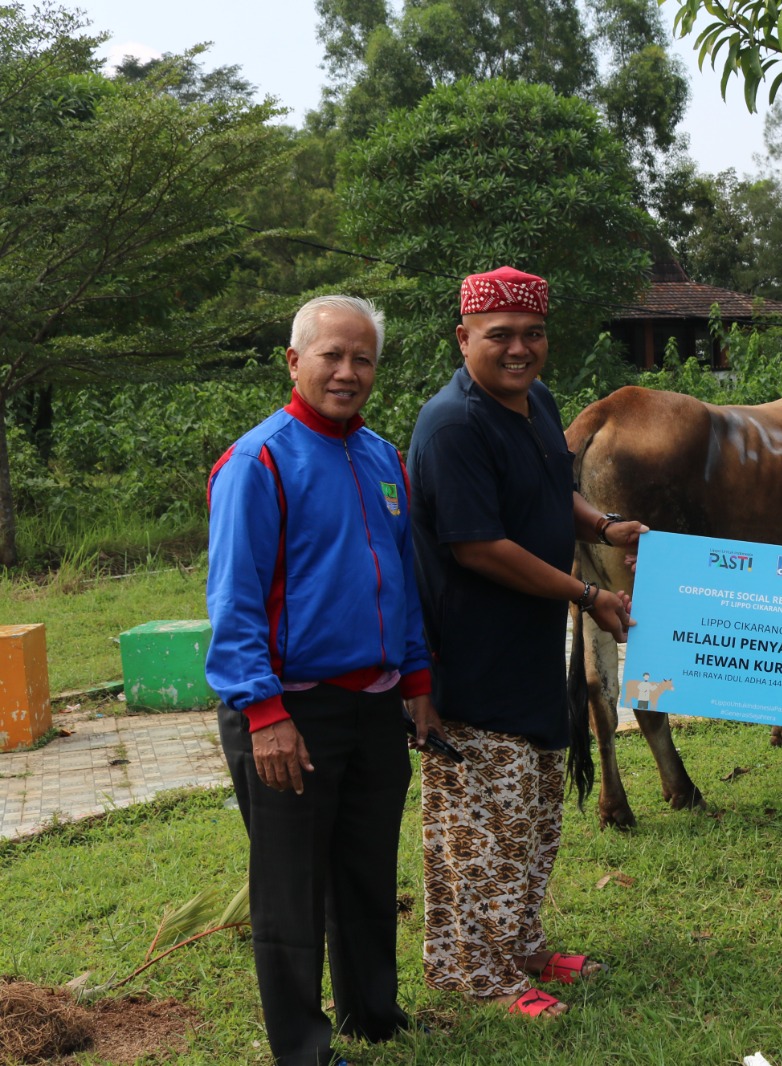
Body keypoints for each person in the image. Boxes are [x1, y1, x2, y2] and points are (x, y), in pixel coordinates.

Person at [206, 294, 439, 1066]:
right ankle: (304, 1050)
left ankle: (374, 1012)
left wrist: (416, 682)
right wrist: (264, 713)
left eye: (362, 358)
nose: (347, 371)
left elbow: (400, 581)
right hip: (289, 710)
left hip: (374, 706)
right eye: (331, 355)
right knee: (292, 890)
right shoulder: (259, 461)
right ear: (294, 361)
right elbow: (235, 603)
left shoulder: (380, 456)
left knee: (367, 869)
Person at [408, 266, 644, 1019]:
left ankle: (522, 943)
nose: (519, 349)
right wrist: (588, 593)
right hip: (473, 659)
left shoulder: (536, 403)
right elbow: (478, 546)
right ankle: (476, 971)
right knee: (483, 827)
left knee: (536, 813)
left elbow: (550, 494)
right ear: (463, 338)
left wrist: (603, 526)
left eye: (532, 334)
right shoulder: (452, 426)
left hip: (531, 650)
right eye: (499, 335)